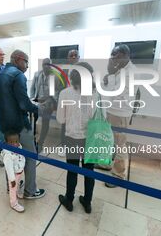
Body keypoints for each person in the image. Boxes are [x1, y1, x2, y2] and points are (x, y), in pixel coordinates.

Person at [0, 49, 46, 199]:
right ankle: (30, 191)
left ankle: (11, 187)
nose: (27, 66)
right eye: (26, 62)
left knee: (9, 157)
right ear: (18, 60)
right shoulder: (18, 76)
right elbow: (24, 104)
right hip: (20, 125)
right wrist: (39, 109)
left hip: (6, 126)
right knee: (30, 156)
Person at [57, 62, 96, 213]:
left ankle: (69, 200)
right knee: (89, 171)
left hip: (72, 137)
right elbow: (102, 117)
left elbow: (60, 119)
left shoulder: (65, 93)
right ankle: (87, 202)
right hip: (90, 138)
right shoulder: (96, 94)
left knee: (72, 170)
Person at [99, 45, 135, 188]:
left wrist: (110, 76)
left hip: (120, 114)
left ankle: (118, 175)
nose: (112, 58)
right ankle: (106, 164)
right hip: (112, 111)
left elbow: (116, 93)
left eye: (115, 55)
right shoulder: (120, 70)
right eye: (111, 55)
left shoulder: (130, 73)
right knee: (109, 140)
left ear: (125, 55)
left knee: (120, 145)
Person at [30, 58, 58, 152]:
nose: (47, 66)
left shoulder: (55, 76)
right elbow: (32, 88)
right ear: (42, 65)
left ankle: (40, 142)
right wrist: (32, 99)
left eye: (49, 64)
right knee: (33, 120)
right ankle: (32, 139)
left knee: (45, 122)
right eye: (45, 64)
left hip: (48, 102)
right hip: (37, 101)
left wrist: (53, 101)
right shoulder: (37, 74)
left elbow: (57, 91)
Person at [2, 131, 25, 213]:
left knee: (18, 184)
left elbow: (21, 157)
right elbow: (9, 169)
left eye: (16, 141)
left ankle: (18, 193)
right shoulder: (7, 155)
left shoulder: (18, 147)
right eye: (11, 142)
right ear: (6, 142)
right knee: (12, 188)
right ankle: (14, 203)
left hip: (19, 171)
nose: (15, 144)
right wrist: (12, 180)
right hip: (13, 174)